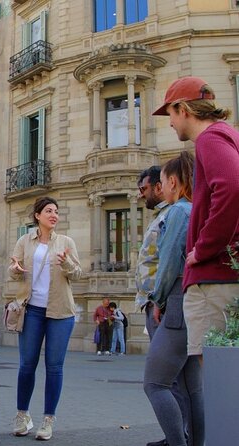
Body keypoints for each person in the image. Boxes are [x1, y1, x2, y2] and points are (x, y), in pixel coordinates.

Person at [153, 76, 239, 361]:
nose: (170, 123)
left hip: (214, 278)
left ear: (183, 109)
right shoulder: (229, 135)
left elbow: (231, 187)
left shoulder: (210, 139)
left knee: (216, 377)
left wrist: (202, 250)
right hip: (226, 274)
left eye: (170, 114)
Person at [8, 196, 83, 441]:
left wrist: (67, 264)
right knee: (26, 365)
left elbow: (78, 273)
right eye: (48, 211)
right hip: (32, 311)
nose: (54, 215)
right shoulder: (24, 240)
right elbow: (14, 269)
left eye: (56, 211)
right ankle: (22, 415)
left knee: (54, 367)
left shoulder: (65, 241)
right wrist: (15, 270)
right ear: (37, 216)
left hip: (60, 312)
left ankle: (48, 420)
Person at [143, 151, 204, 446]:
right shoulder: (199, 208)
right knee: (193, 388)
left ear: (175, 182)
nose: (162, 189)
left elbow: (167, 262)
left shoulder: (179, 211)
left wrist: (158, 298)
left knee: (155, 384)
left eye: (165, 182)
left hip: (177, 301)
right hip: (194, 301)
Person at [136, 166, 171, 339]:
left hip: (161, 304)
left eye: (143, 189)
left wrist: (158, 300)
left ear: (158, 187)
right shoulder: (160, 215)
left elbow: (171, 261)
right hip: (155, 303)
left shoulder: (172, 214)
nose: (141, 195)